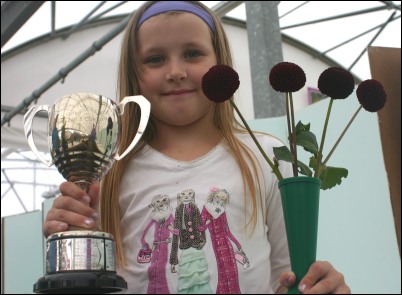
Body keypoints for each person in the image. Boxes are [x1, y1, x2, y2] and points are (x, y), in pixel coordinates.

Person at [43, 1, 351, 294]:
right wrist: (71, 250)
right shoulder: (107, 174)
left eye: (192, 53)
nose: (175, 71)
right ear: (133, 75)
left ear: (220, 62)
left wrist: (320, 285)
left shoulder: (268, 156)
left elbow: (289, 276)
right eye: (155, 59)